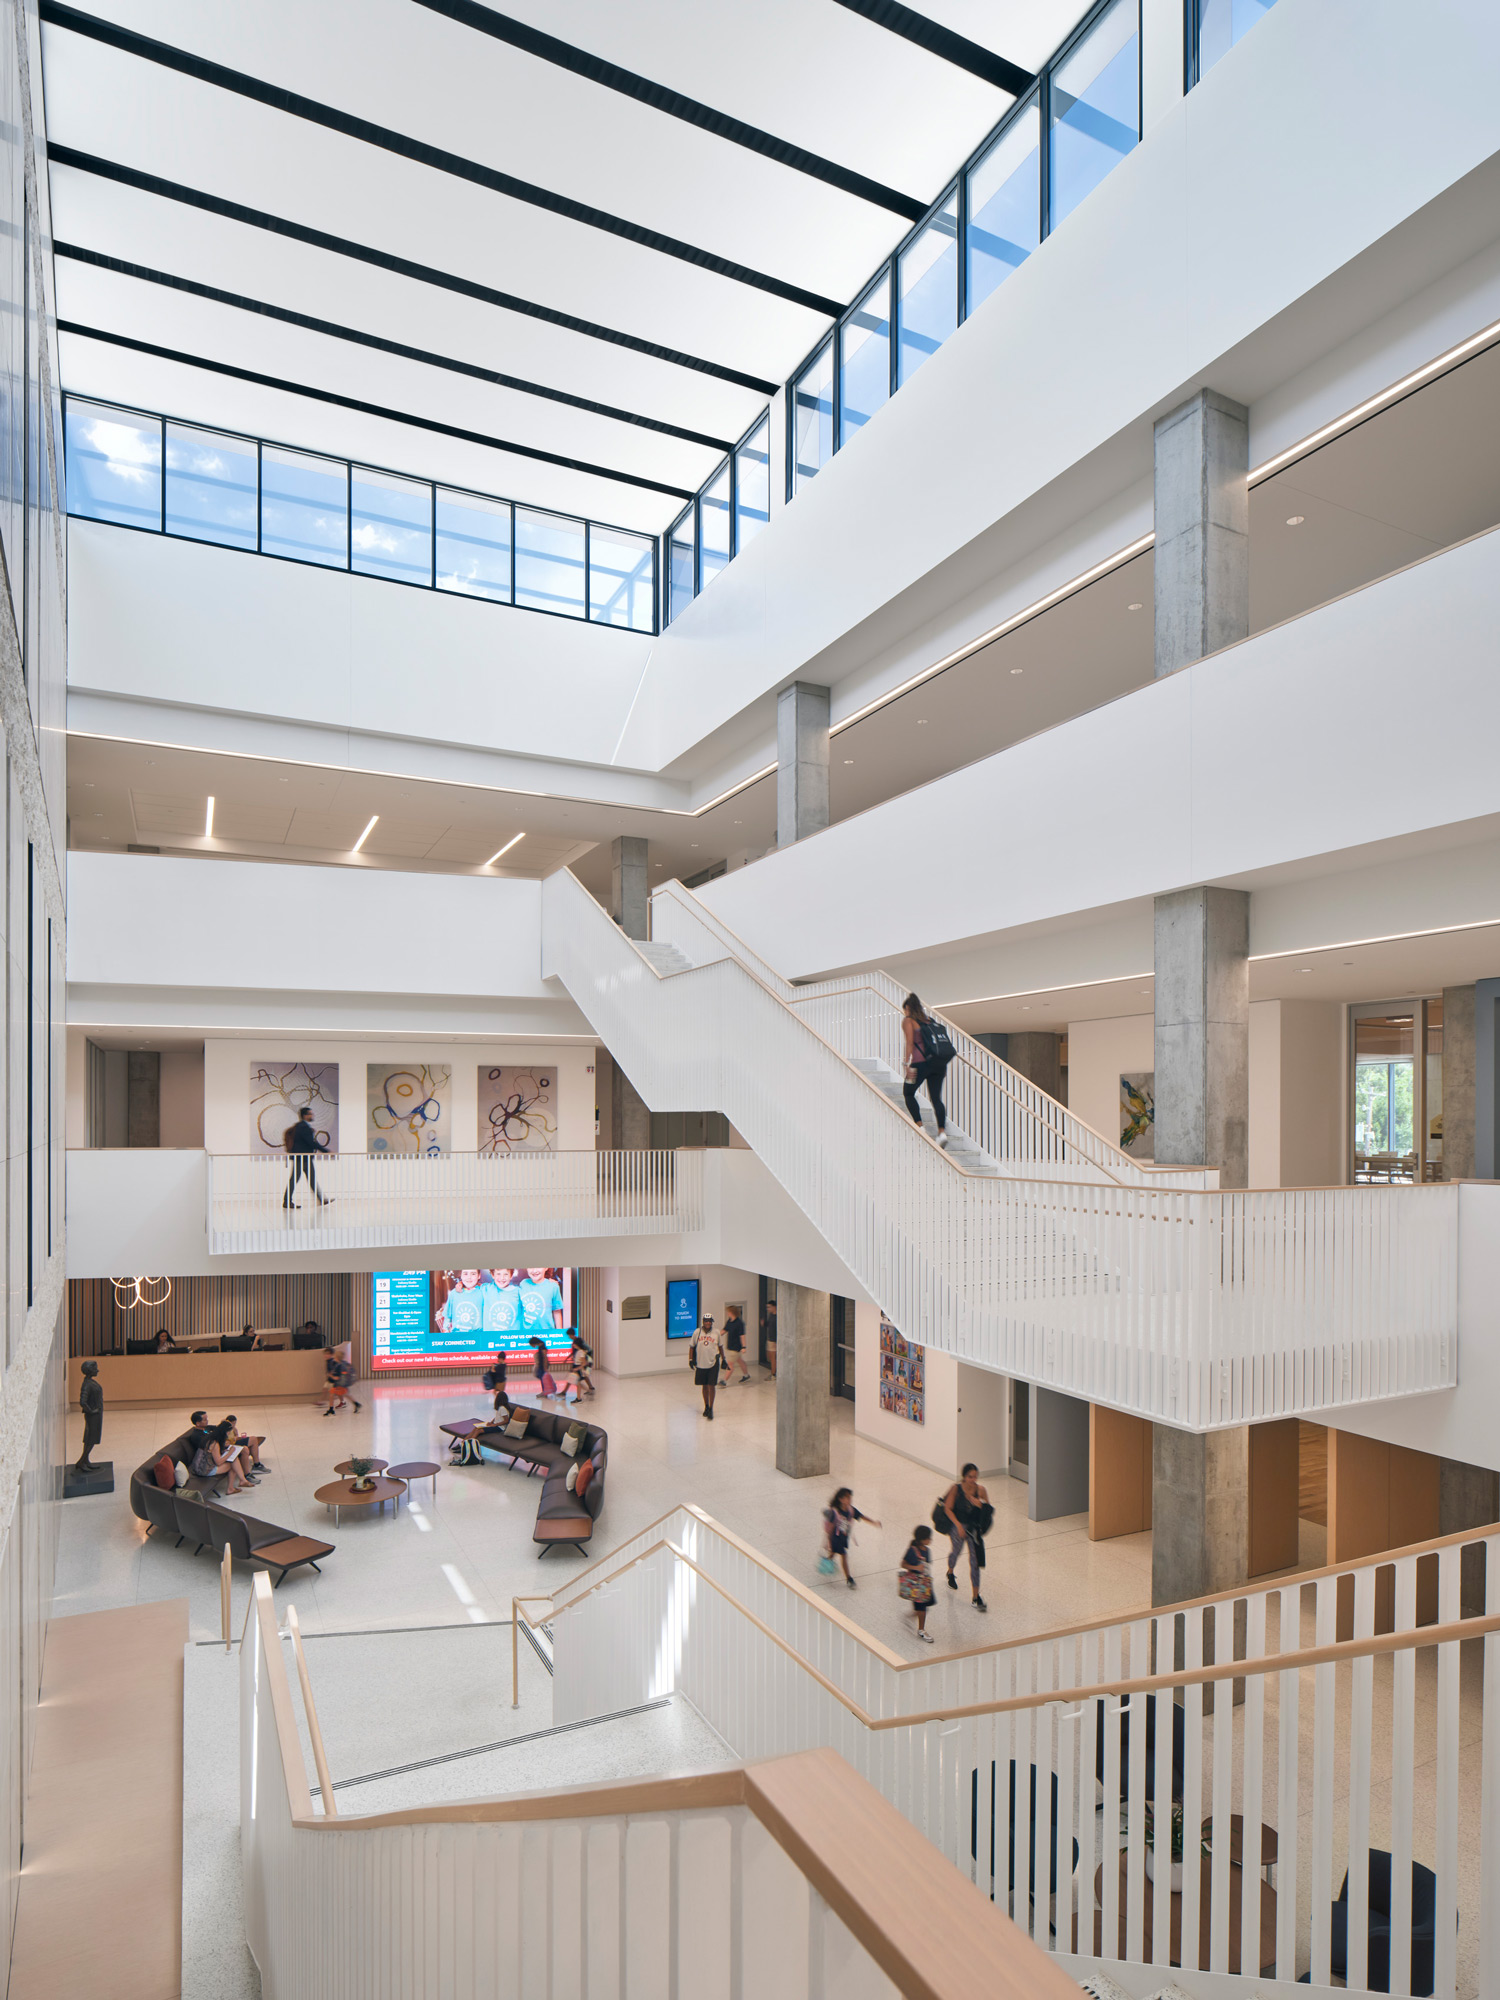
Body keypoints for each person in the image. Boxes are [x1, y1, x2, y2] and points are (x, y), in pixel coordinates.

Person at [901, 992, 949, 1148]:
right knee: (936, 1098)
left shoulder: (909, 1021)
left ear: (907, 1008)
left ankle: (920, 1126)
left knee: (908, 1092)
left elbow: (909, 1043)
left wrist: (906, 1063)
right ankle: (941, 1133)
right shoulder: (930, 1021)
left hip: (919, 1064)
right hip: (939, 1064)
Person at [942, 1463, 991, 1613]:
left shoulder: (981, 1490)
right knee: (956, 1551)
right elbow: (947, 1508)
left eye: (975, 1476)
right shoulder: (955, 1489)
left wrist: (980, 1505)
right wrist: (957, 1525)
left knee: (975, 1561)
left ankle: (976, 1596)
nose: (973, 1479)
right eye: (970, 1476)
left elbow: (988, 1510)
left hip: (973, 1529)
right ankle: (950, 1571)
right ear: (964, 1476)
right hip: (958, 1525)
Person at [823, 1487, 880, 1590]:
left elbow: (862, 1517)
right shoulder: (835, 1512)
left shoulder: (851, 1510)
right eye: (847, 1498)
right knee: (844, 1555)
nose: (850, 1500)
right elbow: (830, 1528)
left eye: (850, 1497)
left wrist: (874, 1522)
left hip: (843, 1537)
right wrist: (828, 1542)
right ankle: (849, 1579)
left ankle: (827, 1562)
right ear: (840, 1499)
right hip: (835, 1538)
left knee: (834, 1552)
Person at [284, 1104, 332, 1209]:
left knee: (311, 1180)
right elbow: (311, 1142)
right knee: (295, 1179)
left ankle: (321, 1199)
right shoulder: (303, 1127)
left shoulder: (300, 1126)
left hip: (304, 1158)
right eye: (310, 1114)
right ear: (305, 1116)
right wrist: (326, 1151)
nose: (312, 1115)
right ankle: (286, 1201)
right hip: (302, 1158)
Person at [900, 1524, 937, 1642]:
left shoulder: (927, 1550)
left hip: (925, 1583)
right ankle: (921, 1630)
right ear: (922, 1539)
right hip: (916, 1585)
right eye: (928, 1538)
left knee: (924, 1607)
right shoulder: (912, 1550)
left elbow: (927, 1565)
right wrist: (915, 1567)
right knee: (922, 1608)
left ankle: (909, 1617)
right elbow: (903, 1564)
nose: (930, 1540)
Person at [690, 1316, 724, 1420]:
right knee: (704, 1386)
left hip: (713, 1363)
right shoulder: (697, 1332)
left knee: (711, 1385)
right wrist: (690, 1359)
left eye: (710, 1321)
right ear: (703, 1322)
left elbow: (720, 1346)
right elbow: (692, 1346)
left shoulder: (716, 1332)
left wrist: (724, 1359)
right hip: (701, 1363)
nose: (708, 1323)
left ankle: (711, 1408)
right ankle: (706, 1406)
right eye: (706, 1321)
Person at [75, 1359, 104, 1474]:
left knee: (90, 1438)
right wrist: (91, 1411)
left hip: (96, 1414)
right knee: (91, 1438)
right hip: (93, 1415)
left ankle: (85, 1460)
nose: (97, 1370)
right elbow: (83, 1401)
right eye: (95, 1368)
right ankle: (81, 1461)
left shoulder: (89, 1382)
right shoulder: (87, 1384)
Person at [517, 1267, 564, 1332]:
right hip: (526, 1333)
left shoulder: (553, 1286)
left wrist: (560, 1334)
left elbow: (557, 1312)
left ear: (546, 1268)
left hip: (547, 1333)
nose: (534, 1270)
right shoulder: (523, 1284)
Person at [322, 1346, 360, 1416]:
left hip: (339, 1384)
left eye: (335, 1357)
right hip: (340, 1384)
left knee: (341, 1395)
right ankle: (331, 1409)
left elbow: (337, 1377)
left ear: (337, 1358)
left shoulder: (339, 1366)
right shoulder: (341, 1364)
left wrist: (331, 1376)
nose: (334, 1359)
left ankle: (355, 1403)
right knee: (339, 1395)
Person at [722, 1305, 750, 1384]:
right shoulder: (730, 1321)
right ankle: (746, 1375)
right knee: (740, 1361)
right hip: (730, 1346)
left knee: (730, 1364)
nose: (727, 1313)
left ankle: (724, 1381)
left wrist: (744, 1347)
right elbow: (725, 1330)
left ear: (732, 1312)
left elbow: (742, 1336)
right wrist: (715, 1335)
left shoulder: (740, 1323)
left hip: (736, 1347)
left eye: (728, 1312)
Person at [566, 1333, 595, 1397]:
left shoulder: (581, 1351)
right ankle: (586, 1392)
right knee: (578, 1382)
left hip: (579, 1368)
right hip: (578, 1367)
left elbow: (584, 1362)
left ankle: (586, 1392)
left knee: (578, 1382)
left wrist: (577, 1368)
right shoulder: (579, 1351)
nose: (573, 1345)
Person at [763, 1297, 777, 1378]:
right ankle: (774, 1372)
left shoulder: (777, 1316)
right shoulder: (771, 1315)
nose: (768, 1309)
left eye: (769, 1307)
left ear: (774, 1307)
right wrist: (764, 1324)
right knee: (770, 1355)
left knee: (773, 1357)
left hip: (774, 1340)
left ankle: (773, 1374)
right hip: (770, 1338)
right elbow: (769, 1325)